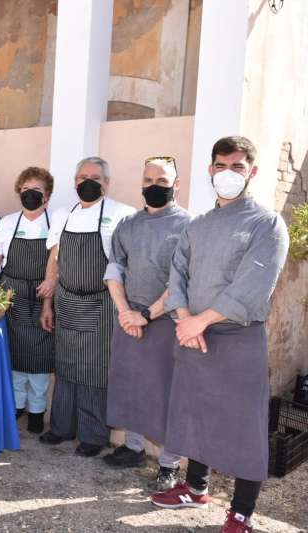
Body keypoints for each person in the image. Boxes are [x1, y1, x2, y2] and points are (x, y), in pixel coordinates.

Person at [151, 136, 288, 533]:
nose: (229, 173)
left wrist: (200, 321)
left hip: (239, 338)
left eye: (238, 166)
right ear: (210, 170)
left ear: (252, 172)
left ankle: (242, 512)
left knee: (245, 425)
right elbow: (177, 275)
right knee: (196, 413)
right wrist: (184, 318)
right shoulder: (197, 226)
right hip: (191, 334)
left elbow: (253, 284)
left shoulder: (266, 224)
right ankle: (196, 488)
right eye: (222, 166)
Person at [101, 156, 192, 491]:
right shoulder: (128, 224)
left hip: (167, 319)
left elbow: (181, 281)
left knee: (166, 390)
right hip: (130, 318)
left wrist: (147, 314)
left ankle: (169, 464)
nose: (155, 186)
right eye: (149, 180)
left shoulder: (189, 226)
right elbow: (115, 268)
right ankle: (133, 448)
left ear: (176, 184)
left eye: (162, 181)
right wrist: (125, 311)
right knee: (131, 384)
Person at [38, 156, 135, 457]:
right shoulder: (63, 215)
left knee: (95, 369)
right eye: (82, 178)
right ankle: (61, 427)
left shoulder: (123, 215)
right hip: (66, 300)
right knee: (65, 365)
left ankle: (93, 435)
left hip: (102, 302)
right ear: (74, 182)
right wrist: (47, 304)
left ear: (107, 183)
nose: (87, 183)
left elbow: (127, 264)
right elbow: (54, 260)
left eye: (95, 178)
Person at [0, 167, 55, 434]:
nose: (30, 194)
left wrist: (50, 291)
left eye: (36, 190)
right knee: (15, 352)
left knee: (41, 355)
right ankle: (17, 405)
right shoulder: (8, 222)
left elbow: (59, 261)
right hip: (12, 294)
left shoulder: (56, 222)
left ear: (47, 196)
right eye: (25, 190)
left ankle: (37, 409)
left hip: (44, 295)